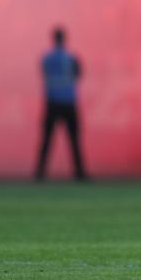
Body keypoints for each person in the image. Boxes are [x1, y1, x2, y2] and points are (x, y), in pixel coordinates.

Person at [36, 27, 87, 181]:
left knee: (46, 140)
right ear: (64, 39)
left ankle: (40, 173)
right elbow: (79, 74)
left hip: (52, 101)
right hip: (68, 101)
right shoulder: (71, 57)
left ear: (53, 39)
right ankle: (79, 173)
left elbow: (43, 73)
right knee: (74, 140)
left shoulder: (46, 58)